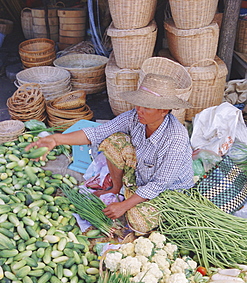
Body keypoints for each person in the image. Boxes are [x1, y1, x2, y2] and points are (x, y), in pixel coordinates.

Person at [25, 73, 194, 234]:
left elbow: (158, 184)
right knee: (113, 141)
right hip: (142, 175)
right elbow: (98, 133)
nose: (139, 110)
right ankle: (116, 187)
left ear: (164, 110)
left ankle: (142, 204)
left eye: (146, 107)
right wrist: (56, 139)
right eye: (138, 104)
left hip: (167, 192)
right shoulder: (134, 117)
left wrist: (125, 205)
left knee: (138, 221)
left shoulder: (176, 139)